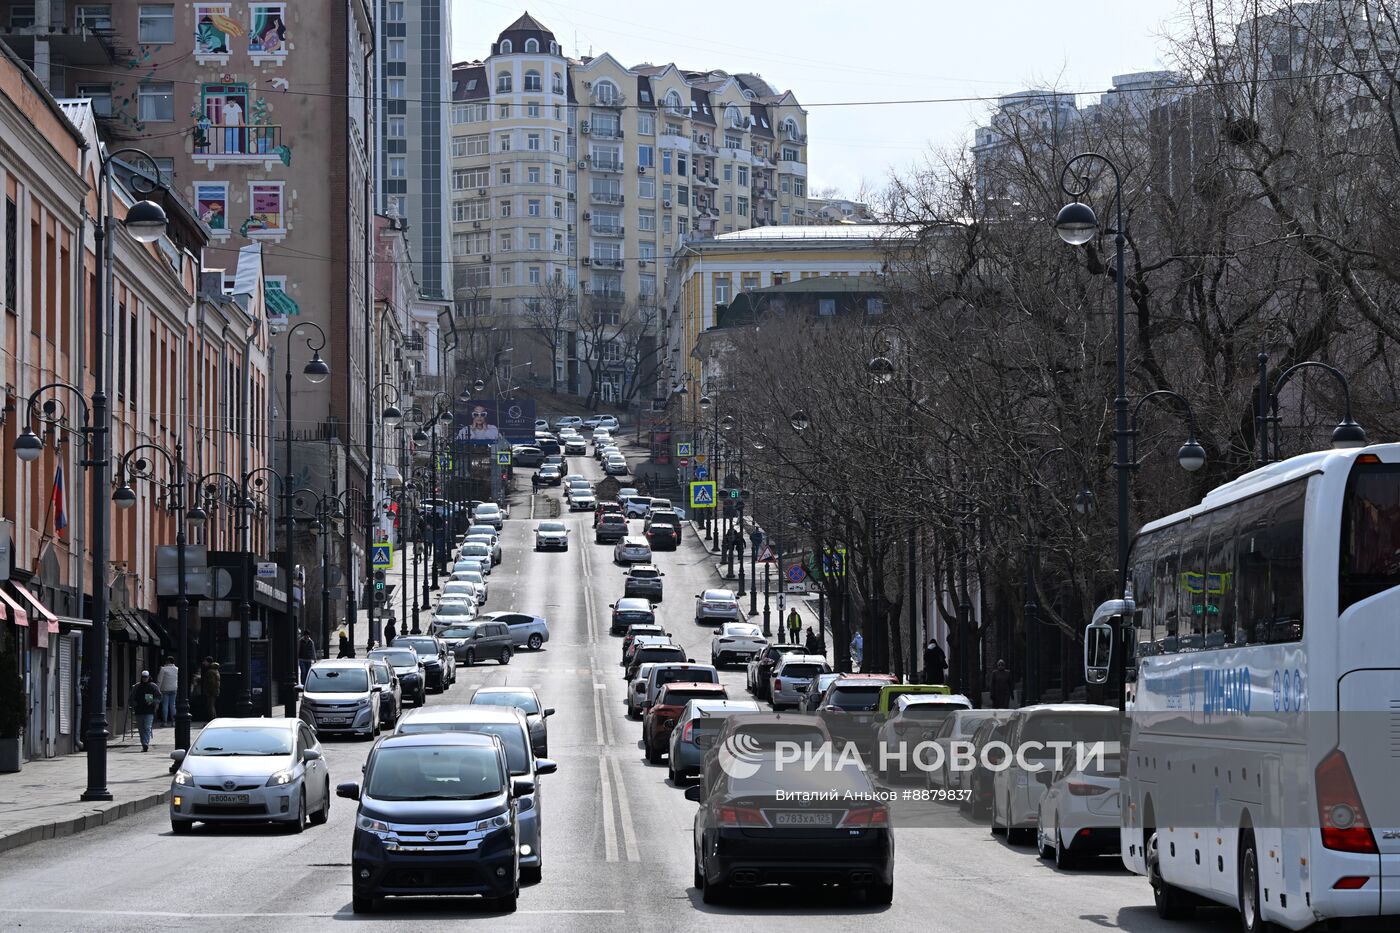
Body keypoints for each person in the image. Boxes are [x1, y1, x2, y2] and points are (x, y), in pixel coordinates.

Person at [129, 672, 161, 752]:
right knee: (141, 728)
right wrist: (134, 704)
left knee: (147, 727)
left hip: (149, 710)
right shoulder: (137, 686)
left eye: (146, 677)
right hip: (139, 710)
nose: (144, 678)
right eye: (143, 677)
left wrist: (153, 701)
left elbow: (159, 697)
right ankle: (143, 743)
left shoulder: (153, 686)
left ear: (148, 677)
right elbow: (131, 698)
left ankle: (145, 743)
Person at [156, 656, 178, 726]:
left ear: (168, 661)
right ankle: (174, 721)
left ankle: (165, 722)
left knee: (165, 705)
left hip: (165, 689)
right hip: (174, 688)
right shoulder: (176, 669)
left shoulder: (163, 669)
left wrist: (157, 689)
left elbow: (159, 680)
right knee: (172, 705)